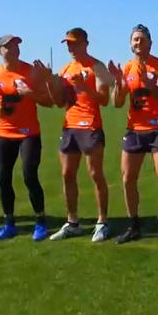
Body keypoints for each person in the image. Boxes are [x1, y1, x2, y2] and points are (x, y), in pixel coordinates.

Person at [107, 24, 158, 246]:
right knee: (128, 179)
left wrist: (149, 85)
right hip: (135, 131)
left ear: (150, 42)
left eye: (142, 39)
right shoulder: (127, 68)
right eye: (135, 40)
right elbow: (117, 103)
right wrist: (118, 83)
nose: (138, 43)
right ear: (131, 44)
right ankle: (133, 226)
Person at [0, 35, 53, 242]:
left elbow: (48, 101)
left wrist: (30, 93)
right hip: (5, 134)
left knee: (30, 175)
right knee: (3, 178)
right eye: (8, 46)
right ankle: (9, 223)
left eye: (16, 46)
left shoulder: (31, 71)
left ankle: (40, 222)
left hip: (29, 133)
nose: (13, 49)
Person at [44, 28, 113, 242]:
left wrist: (84, 86)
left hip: (90, 126)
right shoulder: (66, 68)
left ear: (85, 43)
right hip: (70, 126)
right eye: (68, 44)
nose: (71, 47)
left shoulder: (96, 67)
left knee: (95, 174)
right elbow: (59, 102)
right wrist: (50, 81)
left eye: (74, 43)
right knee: (67, 174)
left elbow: (103, 99)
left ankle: (102, 222)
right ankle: (72, 222)